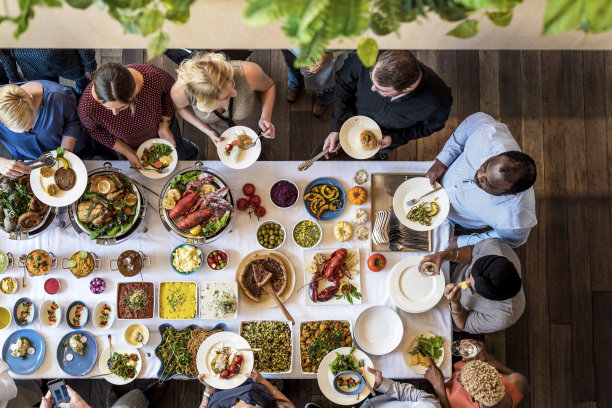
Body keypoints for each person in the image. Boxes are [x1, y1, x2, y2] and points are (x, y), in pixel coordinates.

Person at [426, 112, 537, 248]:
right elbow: (469, 123)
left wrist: (462, 241)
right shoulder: (488, 134)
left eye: (487, 183)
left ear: (508, 193)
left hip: (454, 221)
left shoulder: (515, 218)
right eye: (484, 167)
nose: (478, 176)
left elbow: (511, 239)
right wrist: (442, 162)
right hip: (437, 180)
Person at [323, 50, 452, 158]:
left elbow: (430, 126)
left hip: (382, 146)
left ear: (407, 89)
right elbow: (344, 82)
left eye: (381, 90)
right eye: (371, 77)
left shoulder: (437, 102)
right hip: (348, 123)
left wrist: (395, 138)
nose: (373, 88)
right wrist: (337, 125)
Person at [78, 62, 198, 168]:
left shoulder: (153, 77)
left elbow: (170, 92)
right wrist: (127, 151)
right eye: (108, 108)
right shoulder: (87, 107)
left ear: (133, 95)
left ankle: (188, 148)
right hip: (131, 143)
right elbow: (93, 131)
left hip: (165, 128)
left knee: (181, 154)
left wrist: (164, 123)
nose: (115, 113)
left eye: (122, 107)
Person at [419, 238, 524, 334]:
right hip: (454, 269)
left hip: (457, 313)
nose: (466, 282)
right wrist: (443, 255)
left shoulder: (502, 316)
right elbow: (472, 252)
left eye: (474, 288)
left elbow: (463, 324)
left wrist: (455, 302)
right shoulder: (495, 246)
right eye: (470, 274)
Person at [171, 52, 276, 144]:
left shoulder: (249, 72)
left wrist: (265, 117)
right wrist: (208, 131)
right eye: (225, 96)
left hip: (253, 124)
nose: (235, 94)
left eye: (233, 84)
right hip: (222, 135)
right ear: (205, 103)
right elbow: (180, 107)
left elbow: (269, 87)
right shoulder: (181, 92)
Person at [0, 81, 92, 176]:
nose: (27, 132)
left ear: (30, 99)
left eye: (30, 125)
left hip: (70, 147)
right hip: (27, 157)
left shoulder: (59, 96)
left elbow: (72, 121)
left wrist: (65, 152)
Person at [425, 340, 529, 408]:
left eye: (463, 380)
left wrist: (438, 387)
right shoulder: (517, 380)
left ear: (472, 398)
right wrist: (487, 357)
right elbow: (525, 386)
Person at [281, 50, 348, 117]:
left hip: (328, 52)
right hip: (293, 46)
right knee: (293, 66)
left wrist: (330, 55)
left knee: (328, 79)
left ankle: (324, 99)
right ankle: (295, 84)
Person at [0, 49, 97, 94]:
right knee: (51, 94)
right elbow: (4, 54)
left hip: (69, 61)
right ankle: (70, 97)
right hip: (32, 69)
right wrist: (14, 78)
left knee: (85, 85)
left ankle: (82, 98)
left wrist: (89, 65)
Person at [198, 368, 294, 408]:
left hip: (220, 388)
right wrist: (263, 381)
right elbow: (288, 406)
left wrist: (209, 391)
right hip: (258, 388)